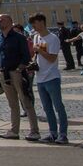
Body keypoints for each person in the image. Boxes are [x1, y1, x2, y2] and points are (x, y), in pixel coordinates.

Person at [0, 14, 39, 141]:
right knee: (12, 104)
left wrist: (19, 69)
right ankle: (14, 131)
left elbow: (26, 55)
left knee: (26, 102)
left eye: (1, 20)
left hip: (17, 73)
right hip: (4, 73)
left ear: (9, 21)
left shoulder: (19, 37)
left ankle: (34, 131)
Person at [29, 14, 67, 144]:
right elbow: (38, 56)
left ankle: (63, 134)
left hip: (52, 76)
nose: (33, 26)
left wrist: (39, 50)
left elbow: (52, 58)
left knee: (58, 107)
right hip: (40, 78)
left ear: (42, 22)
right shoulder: (36, 37)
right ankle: (52, 132)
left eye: (34, 22)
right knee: (47, 108)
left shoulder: (53, 38)